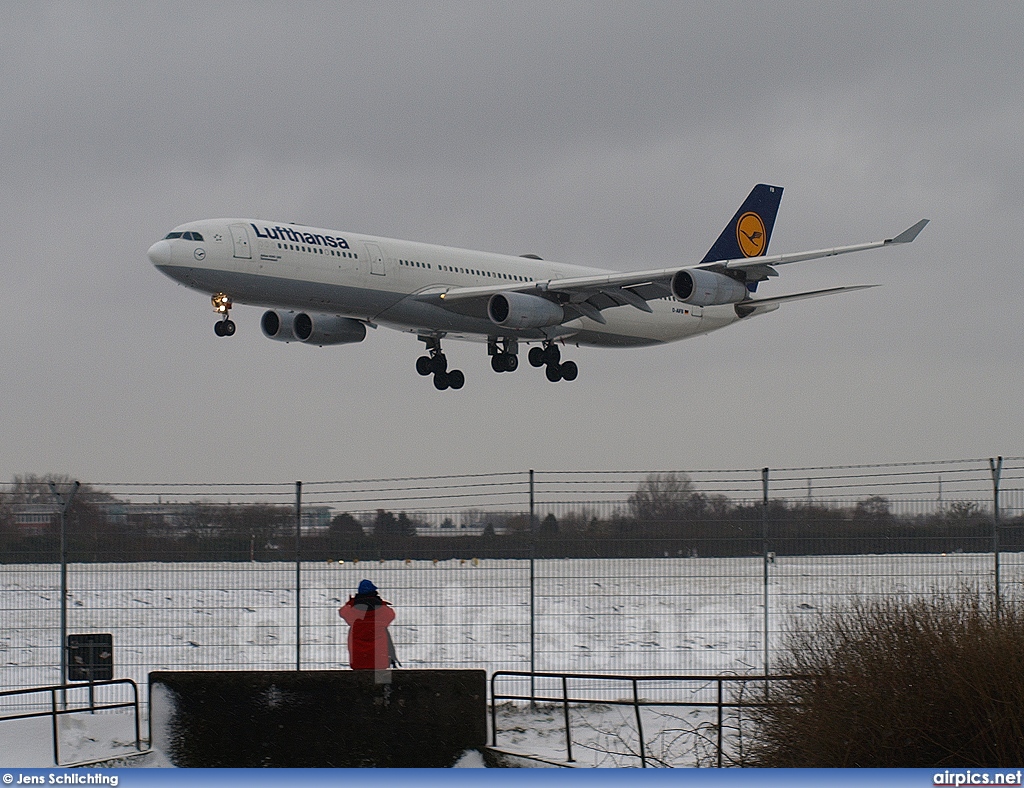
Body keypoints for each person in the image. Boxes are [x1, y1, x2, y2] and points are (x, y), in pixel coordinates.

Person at [338, 579, 397, 670]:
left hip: (359, 657)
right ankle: (383, 684)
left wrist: (350, 603)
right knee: (382, 679)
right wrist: (382, 603)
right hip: (379, 656)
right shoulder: (382, 611)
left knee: (360, 680)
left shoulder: (352, 611)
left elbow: (343, 611)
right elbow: (391, 615)